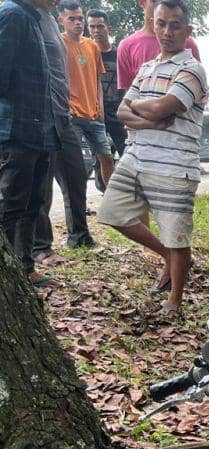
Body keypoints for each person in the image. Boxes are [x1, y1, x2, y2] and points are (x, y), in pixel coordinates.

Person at [97, 0, 207, 318]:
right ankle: (169, 258)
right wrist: (152, 118)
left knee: (177, 234)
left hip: (175, 165)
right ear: (153, 23)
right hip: (136, 156)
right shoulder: (146, 68)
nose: (167, 31)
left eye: (175, 25)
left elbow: (161, 108)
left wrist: (144, 109)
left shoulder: (192, 70)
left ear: (187, 30)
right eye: (161, 23)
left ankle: (174, 300)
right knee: (111, 211)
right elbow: (120, 112)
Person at [0, 0, 60, 289]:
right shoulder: (11, 15)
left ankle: (25, 268)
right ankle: (11, 277)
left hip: (39, 132)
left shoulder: (33, 18)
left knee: (32, 204)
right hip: (16, 131)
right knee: (12, 204)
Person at [32, 0, 94, 264]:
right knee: (42, 185)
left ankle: (79, 235)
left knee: (76, 176)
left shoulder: (46, 21)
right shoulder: (23, 18)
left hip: (62, 115)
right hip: (40, 116)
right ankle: (41, 247)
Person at [57, 2, 114, 187]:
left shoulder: (92, 46)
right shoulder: (58, 43)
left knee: (106, 157)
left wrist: (100, 109)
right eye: (71, 19)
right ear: (61, 20)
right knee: (78, 163)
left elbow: (97, 79)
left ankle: (110, 198)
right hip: (72, 114)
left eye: (80, 18)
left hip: (94, 114)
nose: (77, 23)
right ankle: (77, 204)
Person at [117, 0, 199, 90]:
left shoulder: (187, 43)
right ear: (142, 2)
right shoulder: (127, 46)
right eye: (155, 1)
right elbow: (127, 94)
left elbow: (197, 89)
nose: (162, 3)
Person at [87, 9, 126, 157]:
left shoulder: (119, 54)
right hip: (96, 117)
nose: (96, 30)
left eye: (100, 26)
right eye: (92, 26)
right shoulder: (86, 55)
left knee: (128, 158)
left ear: (109, 28)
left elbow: (128, 84)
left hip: (119, 115)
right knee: (101, 162)